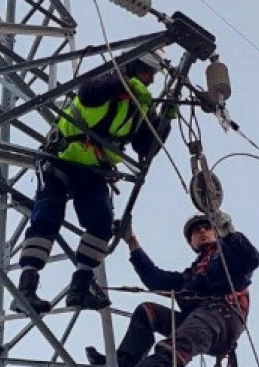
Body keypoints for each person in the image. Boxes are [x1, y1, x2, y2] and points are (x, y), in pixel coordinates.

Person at [11, 53, 172, 314]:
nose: (151, 80)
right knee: (46, 218)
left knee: (101, 223)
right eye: (147, 73)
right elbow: (88, 93)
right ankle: (26, 289)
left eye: (153, 76)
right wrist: (127, 86)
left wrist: (165, 120)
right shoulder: (105, 83)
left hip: (94, 170)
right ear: (133, 68)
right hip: (60, 159)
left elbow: (146, 147)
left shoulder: (140, 107)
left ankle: (81, 287)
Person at [82, 211, 259, 367]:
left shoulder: (227, 257)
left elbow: (251, 259)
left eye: (206, 228)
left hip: (220, 319)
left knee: (175, 346)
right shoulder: (192, 275)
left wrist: (229, 233)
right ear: (191, 243)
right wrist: (132, 241)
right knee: (147, 312)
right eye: (196, 231)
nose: (201, 232)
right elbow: (155, 279)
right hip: (199, 318)